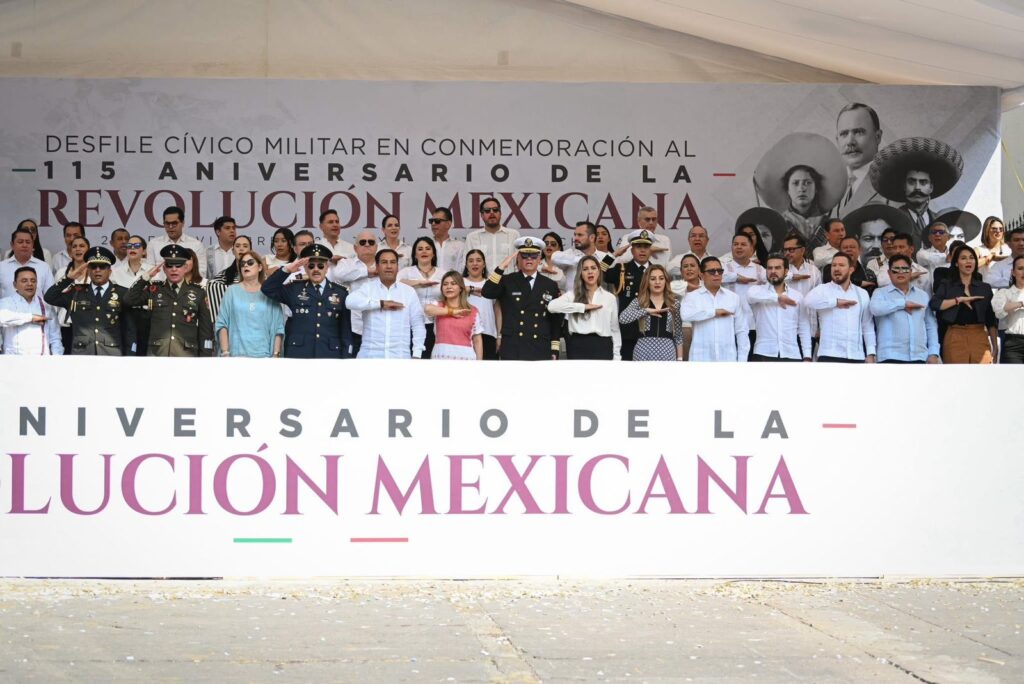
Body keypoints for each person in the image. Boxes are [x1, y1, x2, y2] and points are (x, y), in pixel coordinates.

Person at [262, 244, 352, 358]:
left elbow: (345, 330)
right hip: (299, 354)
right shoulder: (294, 289)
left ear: (327, 267)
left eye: (320, 266)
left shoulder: (341, 293)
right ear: (305, 268)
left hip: (330, 355)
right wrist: (286, 270)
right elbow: (267, 289)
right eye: (311, 266)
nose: (316, 269)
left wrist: (346, 358)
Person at [124, 244, 214, 357]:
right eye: (170, 265)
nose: (174, 269)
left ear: (185, 268)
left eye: (178, 265)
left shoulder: (199, 292)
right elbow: (129, 299)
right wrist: (146, 276)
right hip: (157, 354)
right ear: (164, 269)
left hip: (186, 356)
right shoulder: (154, 289)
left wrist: (205, 358)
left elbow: (205, 330)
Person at [754, 132, 847, 241]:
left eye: (807, 183)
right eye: (795, 183)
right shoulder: (778, 225)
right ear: (788, 189)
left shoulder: (830, 225)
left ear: (816, 188)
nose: (801, 189)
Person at [869, 137, 963, 244]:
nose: (917, 187)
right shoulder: (892, 221)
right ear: (904, 187)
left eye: (923, 182)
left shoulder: (941, 221)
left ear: (931, 187)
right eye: (911, 182)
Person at [482, 236, 562, 360]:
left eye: (534, 256)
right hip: (513, 346)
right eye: (524, 255)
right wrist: (501, 267)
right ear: (518, 258)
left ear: (539, 258)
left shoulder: (550, 285)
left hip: (540, 346)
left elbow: (555, 319)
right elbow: (487, 292)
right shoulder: (508, 280)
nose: (529, 259)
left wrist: (554, 347)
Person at [43, 246, 133, 355]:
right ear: (88, 271)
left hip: (111, 354)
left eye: (102, 267)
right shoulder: (76, 292)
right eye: (93, 266)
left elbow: (129, 329)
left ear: (110, 271)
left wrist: (130, 355)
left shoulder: (122, 293)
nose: (97, 270)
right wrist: (69, 278)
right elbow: (49, 297)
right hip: (82, 354)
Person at [347, 249, 426, 359]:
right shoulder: (368, 288)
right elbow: (349, 302)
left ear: (397, 267)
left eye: (393, 262)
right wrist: (380, 304)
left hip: (400, 357)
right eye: (384, 262)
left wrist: (417, 354)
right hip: (370, 356)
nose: (389, 266)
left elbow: (418, 324)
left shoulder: (409, 292)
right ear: (377, 267)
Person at [929, 245, 997, 364]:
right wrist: (958, 300)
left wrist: (995, 346)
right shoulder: (947, 284)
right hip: (955, 334)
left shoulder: (984, 288)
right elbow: (934, 304)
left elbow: (990, 319)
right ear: (956, 263)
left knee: (983, 373)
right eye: (963, 258)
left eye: (971, 258)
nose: (968, 261)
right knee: (956, 374)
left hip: (979, 334)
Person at [804, 253, 876, 362]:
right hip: (829, 355)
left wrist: (871, 353)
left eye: (841, 265)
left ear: (851, 270)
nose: (836, 268)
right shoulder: (822, 289)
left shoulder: (862, 293)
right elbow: (807, 301)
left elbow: (867, 325)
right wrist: (836, 302)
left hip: (856, 355)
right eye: (834, 265)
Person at [869, 254, 940, 364]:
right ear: (889, 273)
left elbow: (930, 325)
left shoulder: (922, 295)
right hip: (890, 356)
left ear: (911, 272)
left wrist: (933, 352)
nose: (900, 272)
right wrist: (903, 303)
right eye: (896, 269)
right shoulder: (880, 293)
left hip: (919, 356)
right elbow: (875, 309)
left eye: (905, 269)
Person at [548, 255, 621, 360]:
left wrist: (617, 355)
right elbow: (552, 306)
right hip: (578, 345)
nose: (590, 272)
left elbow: (615, 329)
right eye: (585, 269)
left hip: (603, 345)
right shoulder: (572, 295)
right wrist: (582, 307)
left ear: (599, 271)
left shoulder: (609, 298)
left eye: (593, 268)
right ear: (580, 274)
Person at [215, 250, 284, 358]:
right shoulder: (231, 291)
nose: (245, 265)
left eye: (250, 262)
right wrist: (225, 352)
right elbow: (222, 324)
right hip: (235, 356)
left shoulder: (269, 292)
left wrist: (276, 355)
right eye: (242, 264)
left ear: (260, 267)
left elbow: (278, 327)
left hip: (264, 356)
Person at [680, 256, 750, 362]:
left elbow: (742, 331)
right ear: (701, 275)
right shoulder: (692, 296)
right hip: (700, 359)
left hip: (728, 359)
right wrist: (714, 312)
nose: (717, 274)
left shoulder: (733, 298)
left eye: (720, 271)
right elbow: (685, 315)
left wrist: (742, 360)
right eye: (712, 271)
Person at [746, 254, 812, 361]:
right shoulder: (757, 291)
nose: (773, 271)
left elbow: (804, 326)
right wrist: (777, 298)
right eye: (769, 268)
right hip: (763, 353)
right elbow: (750, 296)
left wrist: (807, 356)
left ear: (786, 271)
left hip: (791, 354)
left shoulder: (797, 296)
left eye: (777, 268)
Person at [602, 230, 654, 361]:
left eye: (646, 247)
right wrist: (614, 254)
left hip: (651, 329)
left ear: (650, 250)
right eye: (638, 246)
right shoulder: (622, 269)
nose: (642, 250)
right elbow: (598, 271)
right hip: (628, 330)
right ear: (632, 250)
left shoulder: (657, 271)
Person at [328, 229, 378, 355]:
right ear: (355, 248)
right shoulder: (346, 263)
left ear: (376, 247)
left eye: (371, 242)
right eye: (363, 242)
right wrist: (367, 272)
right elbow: (338, 275)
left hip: (378, 326)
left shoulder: (383, 265)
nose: (367, 244)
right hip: (353, 326)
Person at [617, 264, 682, 361]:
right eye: (652, 279)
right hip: (643, 351)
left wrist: (680, 358)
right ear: (647, 281)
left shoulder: (674, 303)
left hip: (667, 352)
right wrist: (645, 311)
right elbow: (622, 318)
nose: (657, 282)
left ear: (666, 281)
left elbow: (678, 335)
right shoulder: (639, 302)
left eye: (661, 278)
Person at [0, 266, 63, 355]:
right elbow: (2, 318)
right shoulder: (5, 303)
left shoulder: (46, 305)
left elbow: (55, 338)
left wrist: (57, 358)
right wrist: (31, 318)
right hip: (12, 359)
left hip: (41, 360)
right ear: (15, 285)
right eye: (24, 281)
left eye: (33, 281)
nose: (30, 284)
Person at [835, 103, 883, 215]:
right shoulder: (830, 188)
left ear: (877, 137)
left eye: (858, 132)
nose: (850, 141)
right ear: (837, 140)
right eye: (844, 134)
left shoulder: (893, 186)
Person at [398, 236, 442, 358]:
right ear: (415, 254)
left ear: (433, 253)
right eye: (420, 249)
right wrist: (418, 283)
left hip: (437, 324)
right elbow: (395, 284)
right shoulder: (406, 272)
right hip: (411, 323)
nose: (424, 251)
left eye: (428, 248)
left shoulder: (443, 273)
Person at [425, 271, 482, 360]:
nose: (449, 287)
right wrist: (452, 312)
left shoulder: (473, 311)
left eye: (453, 283)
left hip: (466, 359)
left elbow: (477, 340)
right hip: (440, 358)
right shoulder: (438, 306)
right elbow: (427, 309)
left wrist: (480, 363)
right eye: (445, 284)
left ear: (461, 288)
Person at [111, 234, 151, 355]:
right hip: (124, 317)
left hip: (147, 318)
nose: (132, 248)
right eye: (129, 245)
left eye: (137, 245)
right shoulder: (115, 272)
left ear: (144, 251)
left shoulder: (153, 271)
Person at [146, 206, 209, 280]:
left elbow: (201, 272)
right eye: (167, 223)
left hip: (189, 286)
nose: (170, 226)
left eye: (174, 223)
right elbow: (149, 271)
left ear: (183, 223)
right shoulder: (153, 244)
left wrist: (182, 284)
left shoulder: (196, 245)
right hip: (160, 286)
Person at [52, 234, 91, 353]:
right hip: (65, 326)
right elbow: (54, 303)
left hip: (88, 326)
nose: (78, 249)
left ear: (88, 250)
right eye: (74, 246)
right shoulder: (62, 272)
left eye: (82, 246)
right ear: (70, 250)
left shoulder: (95, 271)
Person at [465, 197, 520, 275]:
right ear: (482, 215)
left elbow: (519, 263)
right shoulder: (472, 237)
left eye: (495, 210)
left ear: (500, 213)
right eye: (487, 211)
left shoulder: (514, 235)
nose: (492, 213)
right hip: (483, 281)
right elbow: (466, 265)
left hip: (509, 281)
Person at [462, 249, 500, 360]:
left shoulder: (491, 285)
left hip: (488, 333)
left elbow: (497, 311)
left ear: (484, 264)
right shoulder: (459, 283)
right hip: (463, 334)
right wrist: (471, 289)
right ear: (466, 265)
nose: (475, 263)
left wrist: (499, 335)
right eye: (471, 261)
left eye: (478, 260)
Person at [551, 221, 607, 291]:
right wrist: (583, 259)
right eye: (575, 235)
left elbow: (604, 277)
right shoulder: (570, 254)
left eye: (580, 235)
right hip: (573, 298)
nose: (576, 238)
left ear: (592, 238)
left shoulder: (605, 258)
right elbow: (554, 257)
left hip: (596, 297)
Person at [2, 227, 55, 299]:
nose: (24, 245)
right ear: (12, 245)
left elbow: (51, 297)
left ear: (32, 245)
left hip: (36, 306)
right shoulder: (2, 267)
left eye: (28, 242)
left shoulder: (44, 267)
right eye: (20, 242)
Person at [670, 253, 702, 360]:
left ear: (699, 269)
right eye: (685, 266)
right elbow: (668, 288)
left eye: (692, 266)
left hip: (703, 330)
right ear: (681, 271)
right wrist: (690, 286)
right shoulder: (676, 285)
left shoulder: (706, 285)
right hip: (683, 331)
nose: (689, 269)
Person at [992, 255, 1024, 364]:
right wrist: (1020, 304)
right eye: (1020, 268)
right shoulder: (1005, 293)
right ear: (1013, 272)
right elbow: (999, 311)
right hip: (1013, 344)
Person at [781, 233, 821, 298]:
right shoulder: (779, 269)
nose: (787, 253)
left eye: (791, 249)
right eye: (785, 250)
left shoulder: (814, 271)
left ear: (802, 250)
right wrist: (790, 276)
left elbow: (819, 296)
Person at [429, 207, 465, 274]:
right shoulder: (426, 246)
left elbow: (461, 271)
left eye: (437, 221)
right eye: (431, 221)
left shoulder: (460, 246)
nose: (433, 224)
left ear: (448, 224)